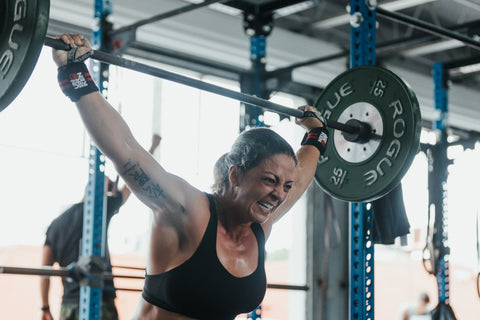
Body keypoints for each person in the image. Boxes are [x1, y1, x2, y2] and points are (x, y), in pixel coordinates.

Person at [52, 33, 328, 320]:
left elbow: (301, 176)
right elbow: (125, 150)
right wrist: (75, 75)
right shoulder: (187, 210)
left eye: (284, 186)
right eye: (270, 180)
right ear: (235, 175)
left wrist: (317, 136)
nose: (280, 194)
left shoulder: (261, 221)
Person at [40, 135, 160, 320]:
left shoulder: (56, 224)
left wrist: (44, 307)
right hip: (100, 301)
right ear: (100, 191)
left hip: (69, 307)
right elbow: (132, 182)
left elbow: (44, 270)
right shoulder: (100, 209)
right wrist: (152, 148)